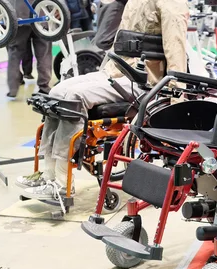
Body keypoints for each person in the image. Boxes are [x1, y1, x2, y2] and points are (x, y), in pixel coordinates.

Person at [15, 0, 189, 200]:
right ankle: (48, 174)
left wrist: (176, 96)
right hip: (116, 70)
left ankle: (61, 183)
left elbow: (175, 47)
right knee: (56, 92)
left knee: (73, 97)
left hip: (144, 80)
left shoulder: (172, 3)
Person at [7, 0, 53, 98]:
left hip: (18, 17)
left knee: (15, 52)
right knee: (44, 53)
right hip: (41, 15)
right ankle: (44, 86)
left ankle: (13, 89)